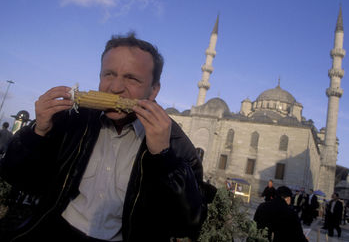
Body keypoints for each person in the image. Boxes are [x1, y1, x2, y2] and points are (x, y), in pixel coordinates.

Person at [0, 33, 207, 242]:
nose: (115, 88)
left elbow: (187, 223)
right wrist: (39, 133)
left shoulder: (176, 144)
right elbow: (19, 178)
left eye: (131, 78)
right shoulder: (73, 121)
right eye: (108, 74)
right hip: (56, 230)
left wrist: (164, 159)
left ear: (154, 90)